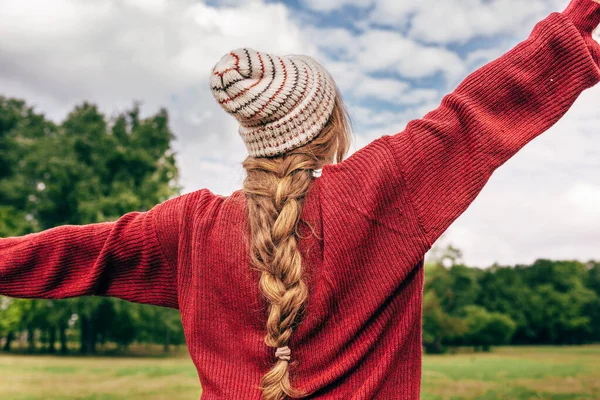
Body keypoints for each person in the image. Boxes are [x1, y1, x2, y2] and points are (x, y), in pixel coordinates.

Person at [1, 0, 599, 398]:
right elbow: (472, 116)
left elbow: (72, 252)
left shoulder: (188, 227)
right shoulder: (380, 190)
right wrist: (565, 36)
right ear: (330, 127)